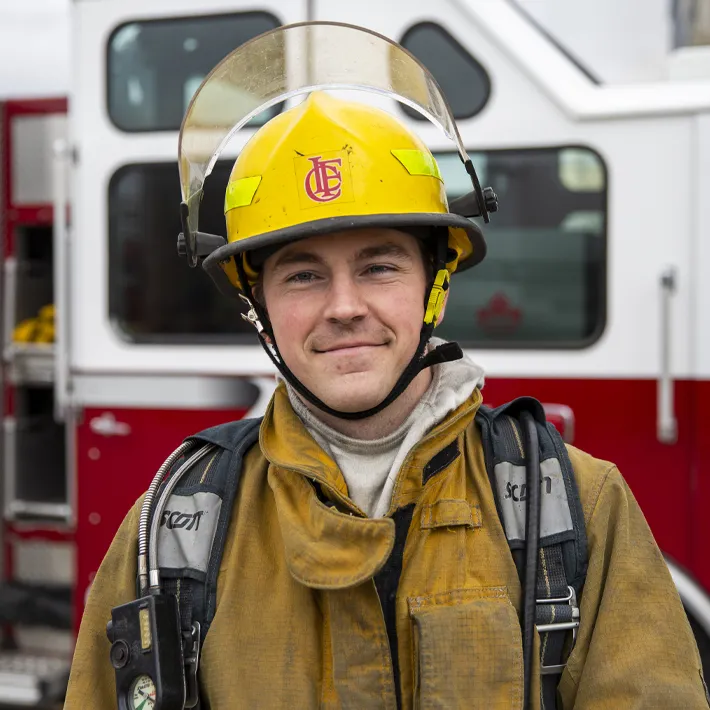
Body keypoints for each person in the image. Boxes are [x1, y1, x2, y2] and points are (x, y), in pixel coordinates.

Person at [64, 22, 708, 710]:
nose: (344, 307)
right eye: (303, 276)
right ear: (258, 307)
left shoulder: (578, 505)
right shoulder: (172, 529)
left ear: (437, 282)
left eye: (379, 266)